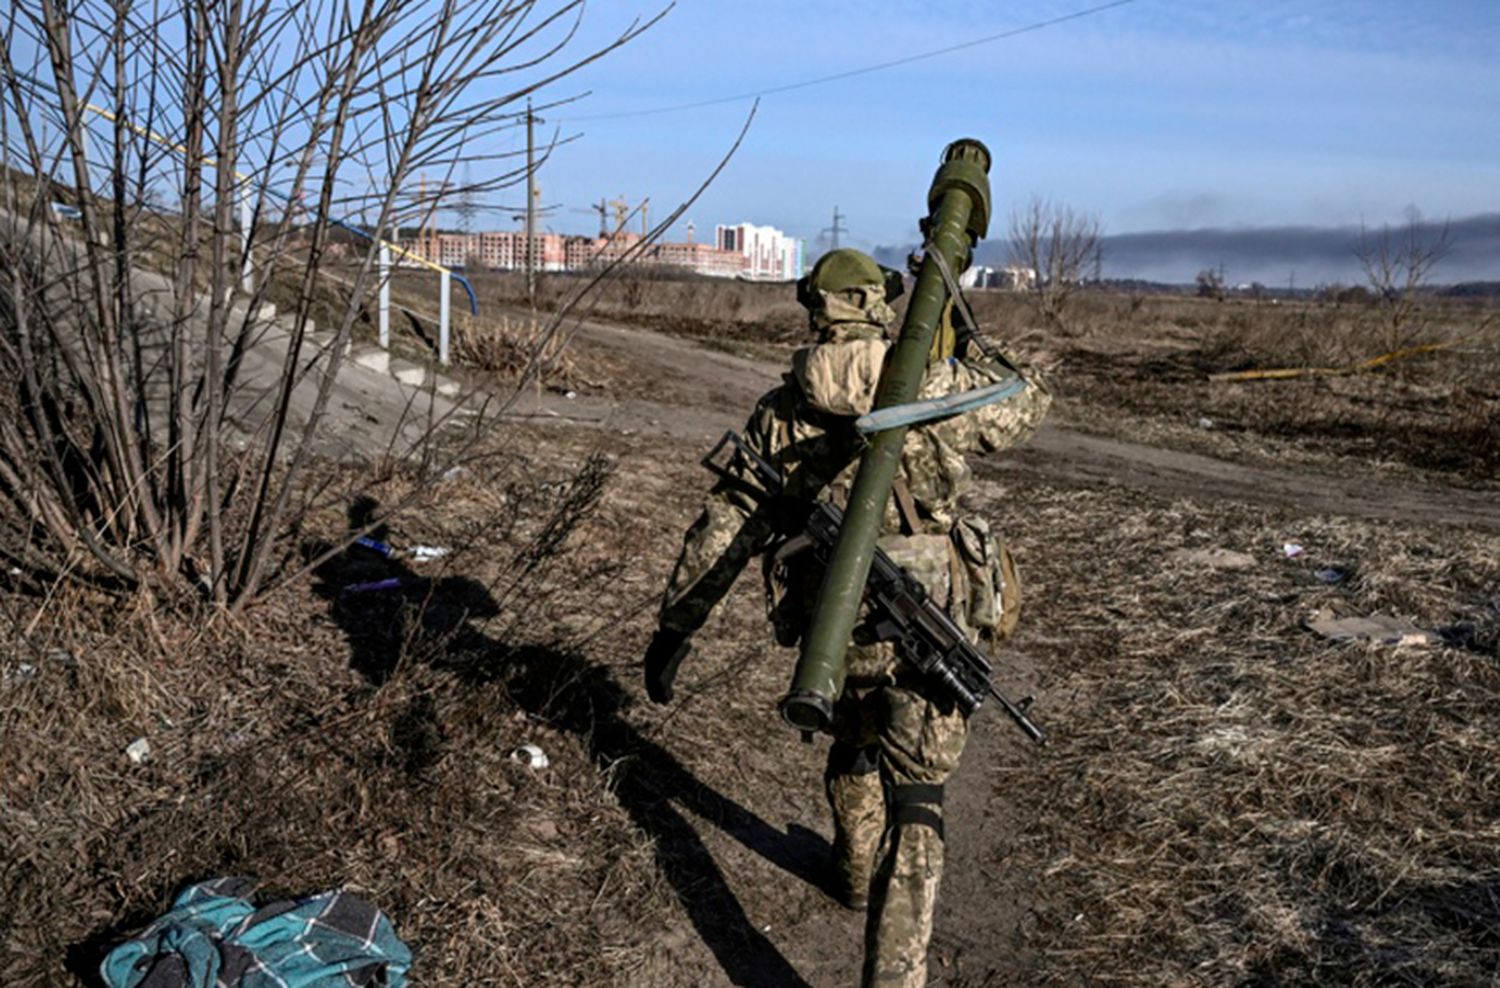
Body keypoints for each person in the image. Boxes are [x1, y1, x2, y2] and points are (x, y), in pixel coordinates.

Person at [642, 247, 1051, 986]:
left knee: (854, 736)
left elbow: (729, 523)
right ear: (879, 305)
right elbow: (1029, 397)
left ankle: (854, 869)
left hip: (832, 629)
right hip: (926, 614)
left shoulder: (783, 411)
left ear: (817, 310)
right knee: (918, 796)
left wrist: (678, 626)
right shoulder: (932, 387)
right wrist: (962, 320)